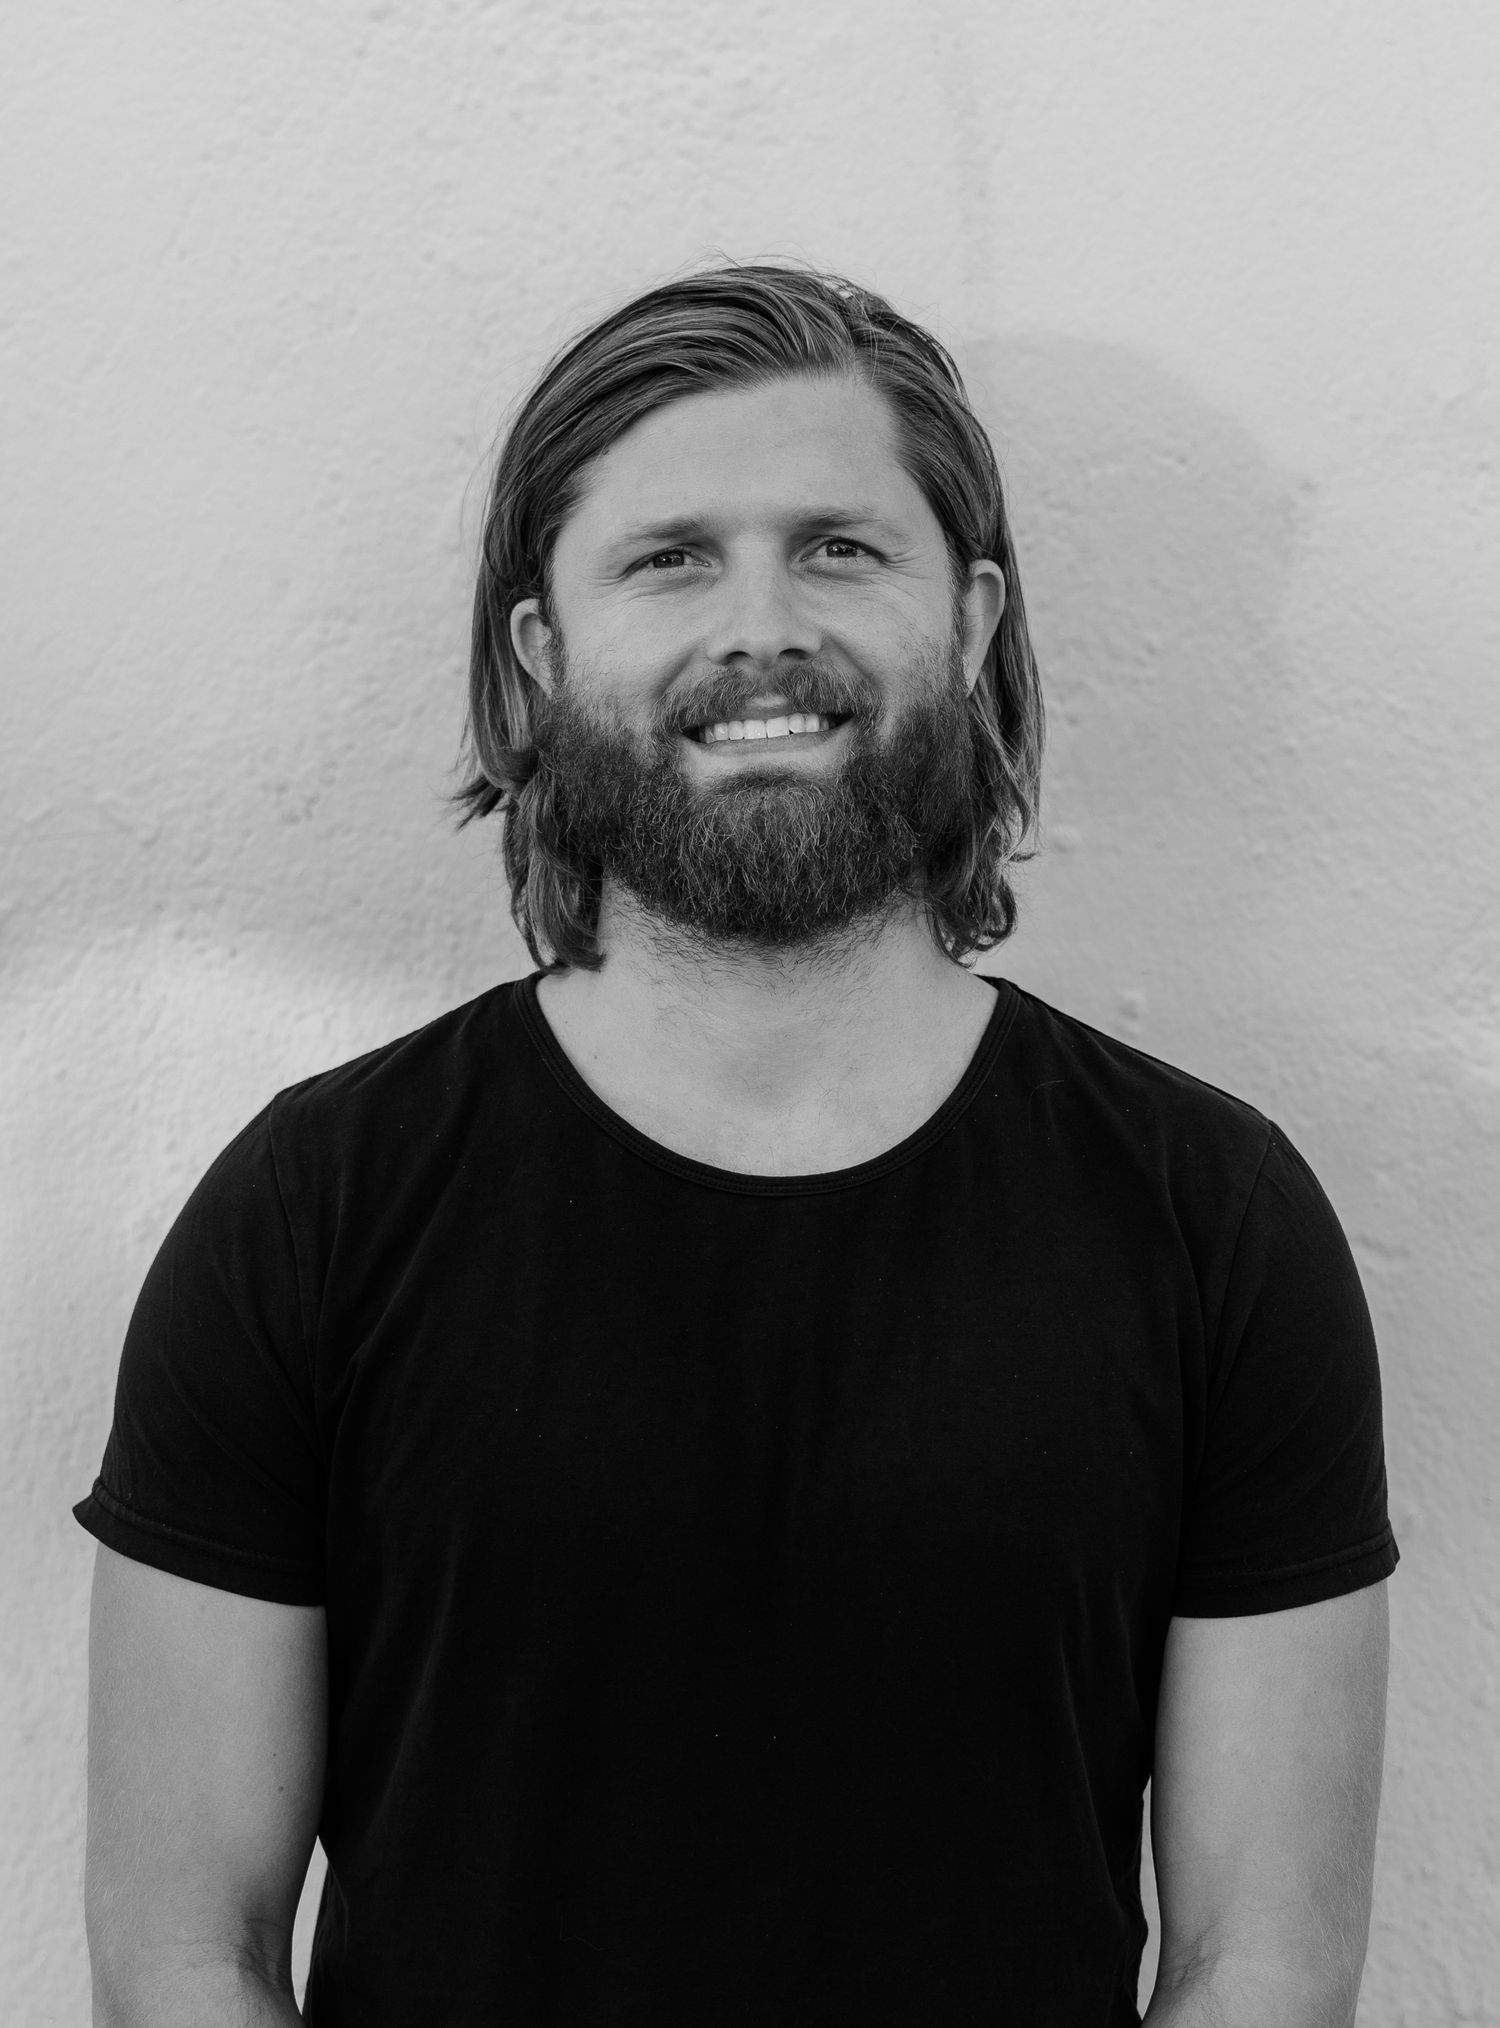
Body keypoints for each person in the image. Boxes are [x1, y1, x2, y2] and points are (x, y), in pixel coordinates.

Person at [76, 263, 1398, 2027]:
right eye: (670, 558)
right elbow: (185, 1954)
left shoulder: (1215, 1222)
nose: (761, 628)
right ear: (541, 655)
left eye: (839, 548)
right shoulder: (311, 1212)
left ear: (972, 622)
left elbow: (1264, 1965)